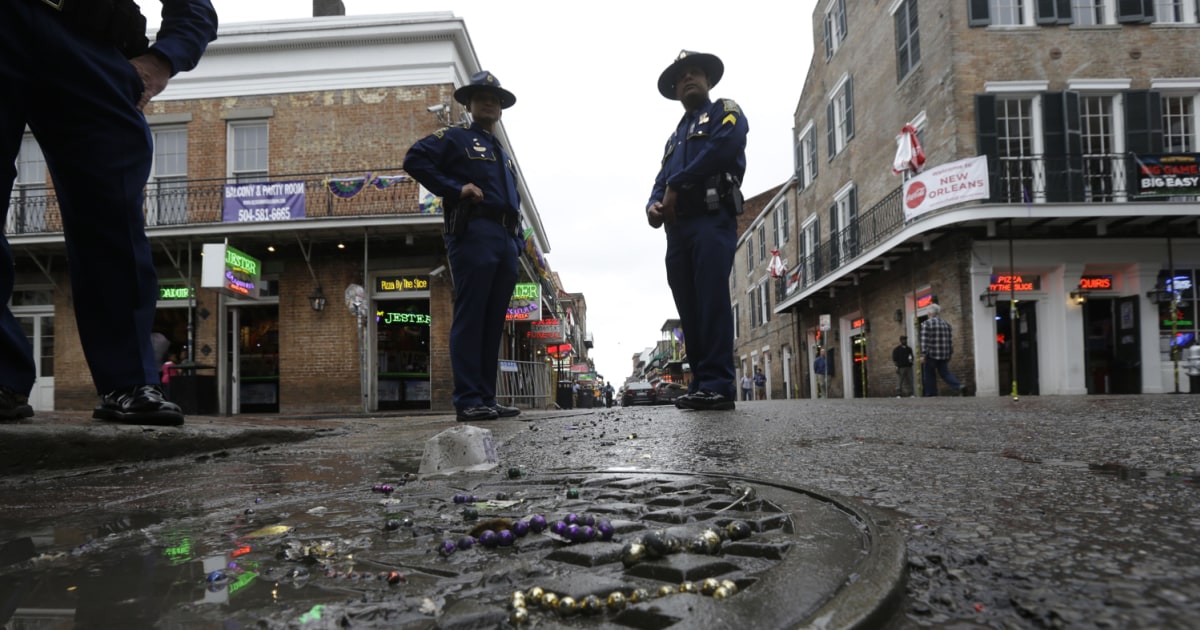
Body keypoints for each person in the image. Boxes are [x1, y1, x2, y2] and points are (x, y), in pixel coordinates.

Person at [0, 0, 218, 425]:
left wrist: (163, 57)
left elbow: (194, 5)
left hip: (88, 40)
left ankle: (130, 379)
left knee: (112, 216)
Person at [404, 71, 522, 423]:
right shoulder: (455, 137)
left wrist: (515, 240)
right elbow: (415, 159)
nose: (490, 101)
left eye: (496, 98)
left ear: (501, 108)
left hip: (505, 237)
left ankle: (486, 397)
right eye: (481, 95)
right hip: (475, 231)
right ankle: (469, 398)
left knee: (492, 321)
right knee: (472, 317)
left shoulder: (501, 152)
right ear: (468, 104)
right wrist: (456, 189)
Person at [646, 50, 747, 412]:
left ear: (708, 80)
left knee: (710, 299)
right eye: (681, 77)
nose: (688, 79)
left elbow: (725, 148)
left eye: (694, 73)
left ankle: (719, 384)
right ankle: (702, 382)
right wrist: (653, 206)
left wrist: (678, 182)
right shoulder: (674, 138)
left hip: (710, 219)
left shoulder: (725, 111)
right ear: (675, 90)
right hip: (678, 230)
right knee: (688, 307)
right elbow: (659, 183)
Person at [919, 304, 968, 397]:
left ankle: (931, 394)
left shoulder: (927, 323)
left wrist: (922, 354)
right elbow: (950, 341)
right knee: (945, 373)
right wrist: (950, 353)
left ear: (929, 313)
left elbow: (924, 340)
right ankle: (959, 386)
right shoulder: (946, 324)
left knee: (929, 374)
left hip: (931, 354)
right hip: (944, 354)